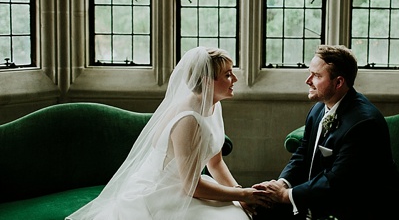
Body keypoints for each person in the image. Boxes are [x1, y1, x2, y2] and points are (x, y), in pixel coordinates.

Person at [66, 47, 269, 220]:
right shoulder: (188, 120)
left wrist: (239, 194)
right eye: (227, 74)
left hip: (190, 185)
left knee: (239, 213)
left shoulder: (214, 105)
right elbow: (192, 187)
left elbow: (215, 163)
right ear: (208, 82)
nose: (234, 79)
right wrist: (243, 194)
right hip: (163, 193)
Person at [253, 44, 399, 220]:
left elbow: (338, 182)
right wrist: (281, 183)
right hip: (323, 201)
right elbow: (303, 154)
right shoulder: (318, 109)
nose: (308, 80)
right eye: (310, 73)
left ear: (339, 82)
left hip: (365, 209)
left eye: (317, 75)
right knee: (259, 207)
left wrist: (284, 195)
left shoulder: (364, 124)